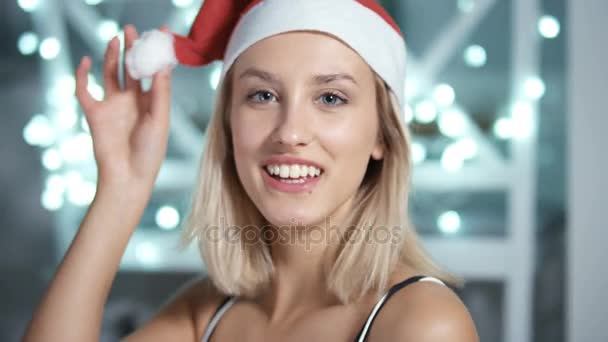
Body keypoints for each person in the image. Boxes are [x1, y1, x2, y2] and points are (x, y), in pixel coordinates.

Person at [24, 0, 479, 341]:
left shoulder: (420, 323)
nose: (290, 131)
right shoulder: (205, 313)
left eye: (330, 98)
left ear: (382, 134)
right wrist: (121, 189)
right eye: (262, 95)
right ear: (228, 123)